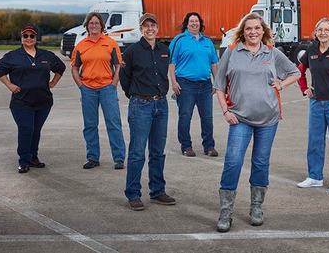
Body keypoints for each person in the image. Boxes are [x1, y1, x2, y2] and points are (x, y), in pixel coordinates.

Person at [213, 12, 300, 232]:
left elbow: (294, 72)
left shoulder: (272, 52)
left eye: (257, 28)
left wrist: (281, 85)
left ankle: (256, 207)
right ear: (243, 31)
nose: (253, 32)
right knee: (233, 162)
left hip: (268, 119)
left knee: (261, 163)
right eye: (249, 28)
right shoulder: (231, 52)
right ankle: (225, 211)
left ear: (263, 31)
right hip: (239, 117)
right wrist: (225, 111)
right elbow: (220, 85)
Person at [119, 13, 176, 210]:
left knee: (158, 151)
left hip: (161, 104)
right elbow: (124, 77)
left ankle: (158, 190)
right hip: (140, 105)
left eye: (153, 25)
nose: (150, 29)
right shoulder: (132, 51)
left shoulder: (164, 50)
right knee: (137, 152)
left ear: (157, 28)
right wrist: (134, 95)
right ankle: (133, 194)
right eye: (146, 26)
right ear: (141, 29)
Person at [0, 24, 65, 173]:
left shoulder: (46, 55)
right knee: (26, 129)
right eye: (25, 36)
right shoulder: (12, 56)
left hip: (43, 101)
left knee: (36, 130)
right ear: (21, 37)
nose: (29, 38)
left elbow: (60, 68)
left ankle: (33, 157)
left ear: (36, 37)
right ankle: (24, 160)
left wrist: (53, 82)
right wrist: (9, 85)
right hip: (21, 101)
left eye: (32, 36)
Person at [296, 18, 329, 193]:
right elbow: (299, 72)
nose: (323, 33)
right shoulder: (310, 51)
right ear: (315, 32)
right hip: (316, 103)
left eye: (326, 30)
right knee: (315, 142)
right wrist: (305, 89)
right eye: (320, 30)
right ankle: (315, 177)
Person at [71, 12, 126, 170]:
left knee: (113, 123)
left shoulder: (110, 43)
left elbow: (118, 66)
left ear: (102, 25)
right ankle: (93, 157)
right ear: (87, 26)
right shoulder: (81, 45)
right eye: (91, 23)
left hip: (107, 88)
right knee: (90, 125)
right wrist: (81, 86)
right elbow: (75, 68)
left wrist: (113, 84)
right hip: (88, 89)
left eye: (96, 23)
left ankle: (119, 158)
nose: (94, 26)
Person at [168, 12, 219, 157]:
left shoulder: (207, 42)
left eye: (196, 21)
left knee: (207, 117)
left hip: (205, 85)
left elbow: (214, 63)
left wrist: (217, 82)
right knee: (185, 116)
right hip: (185, 85)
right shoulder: (179, 40)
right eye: (191, 21)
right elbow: (172, 63)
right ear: (187, 23)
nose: (194, 23)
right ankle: (186, 146)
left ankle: (209, 146)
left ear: (200, 23)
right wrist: (173, 81)